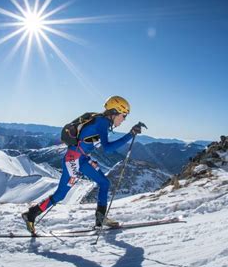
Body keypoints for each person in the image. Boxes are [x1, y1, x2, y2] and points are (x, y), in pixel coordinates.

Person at [22, 95, 142, 234]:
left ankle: (100, 218)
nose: (124, 119)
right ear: (115, 112)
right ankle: (31, 214)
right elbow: (108, 148)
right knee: (61, 195)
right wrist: (130, 134)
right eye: (123, 115)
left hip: (82, 158)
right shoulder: (102, 123)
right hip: (73, 159)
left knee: (104, 183)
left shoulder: (101, 121)